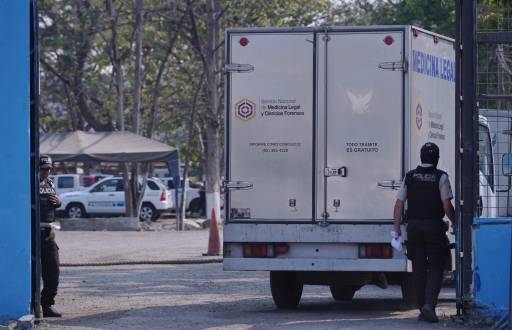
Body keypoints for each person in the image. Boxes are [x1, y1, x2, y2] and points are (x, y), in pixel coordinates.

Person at [393, 142, 455, 323]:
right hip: (434, 229)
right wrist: (455, 222)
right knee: (436, 267)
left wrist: (396, 230)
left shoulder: (410, 176)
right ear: (436, 159)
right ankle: (429, 305)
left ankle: (422, 307)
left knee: (418, 268)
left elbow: (398, 205)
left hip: (413, 229)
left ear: (421, 157)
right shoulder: (441, 177)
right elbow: (446, 206)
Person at [39, 155, 62, 317]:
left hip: (49, 231)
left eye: (48, 169)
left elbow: (53, 204)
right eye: (42, 168)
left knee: (53, 269)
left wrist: (58, 202)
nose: (45, 172)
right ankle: (33, 304)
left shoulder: (50, 183)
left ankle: (47, 304)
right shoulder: (29, 183)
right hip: (32, 232)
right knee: (32, 272)